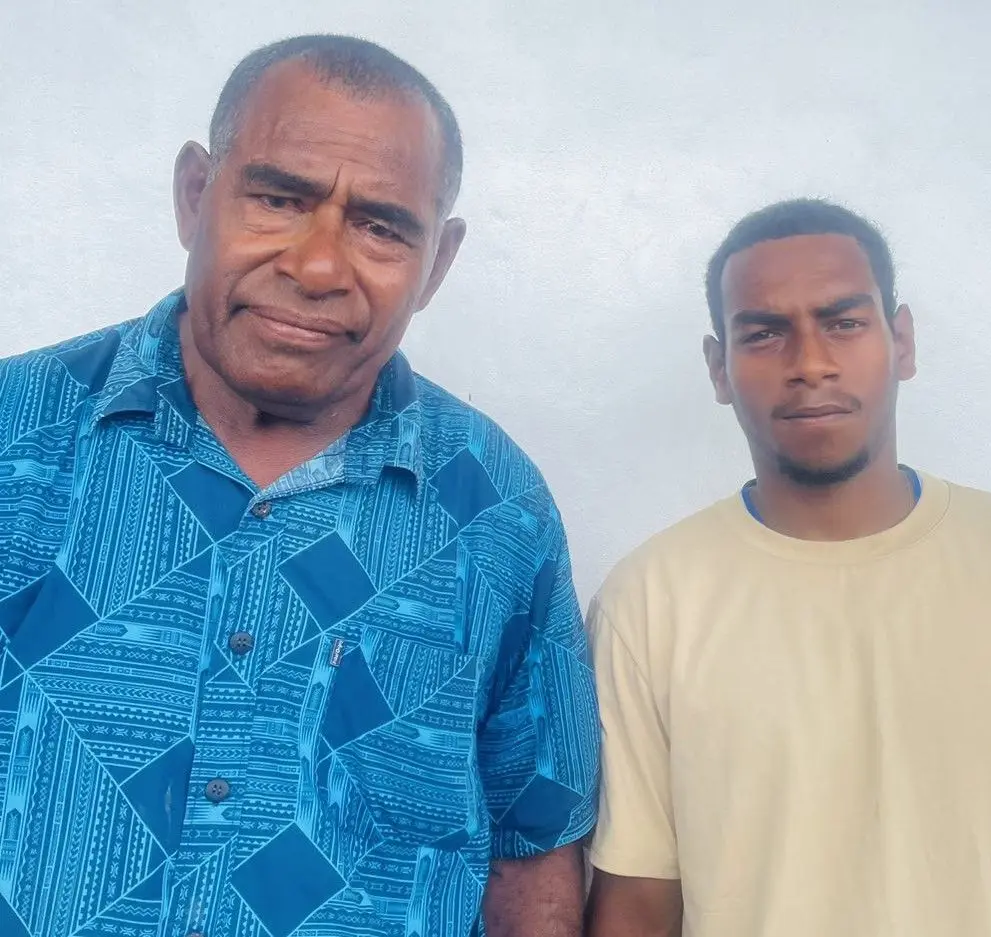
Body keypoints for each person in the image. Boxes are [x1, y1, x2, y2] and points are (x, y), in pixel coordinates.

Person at [0, 34, 598, 937]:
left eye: (381, 227)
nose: (317, 266)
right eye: (279, 198)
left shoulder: (497, 511)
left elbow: (534, 847)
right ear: (196, 194)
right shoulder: (15, 437)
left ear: (438, 261)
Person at [583, 198, 991, 937]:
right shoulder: (650, 603)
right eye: (764, 333)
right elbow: (639, 908)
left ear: (901, 340)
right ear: (719, 367)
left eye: (844, 321)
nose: (810, 363)